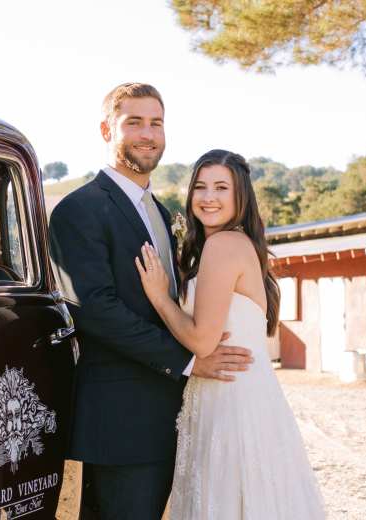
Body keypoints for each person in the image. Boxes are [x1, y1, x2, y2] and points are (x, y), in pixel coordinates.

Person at [48, 83, 253, 520]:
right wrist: (191, 362)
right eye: (134, 122)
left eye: (156, 123)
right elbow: (95, 309)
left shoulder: (162, 213)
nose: (148, 134)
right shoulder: (79, 210)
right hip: (122, 423)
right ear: (107, 129)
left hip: (173, 417)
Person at [136, 149, 326, 519]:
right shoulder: (226, 246)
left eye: (221, 187)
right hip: (232, 394)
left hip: (230, 400)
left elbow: (203, 341)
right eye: (201, 187)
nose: (208, 197)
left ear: (241, 196)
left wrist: (161, 299)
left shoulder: (224, 245)